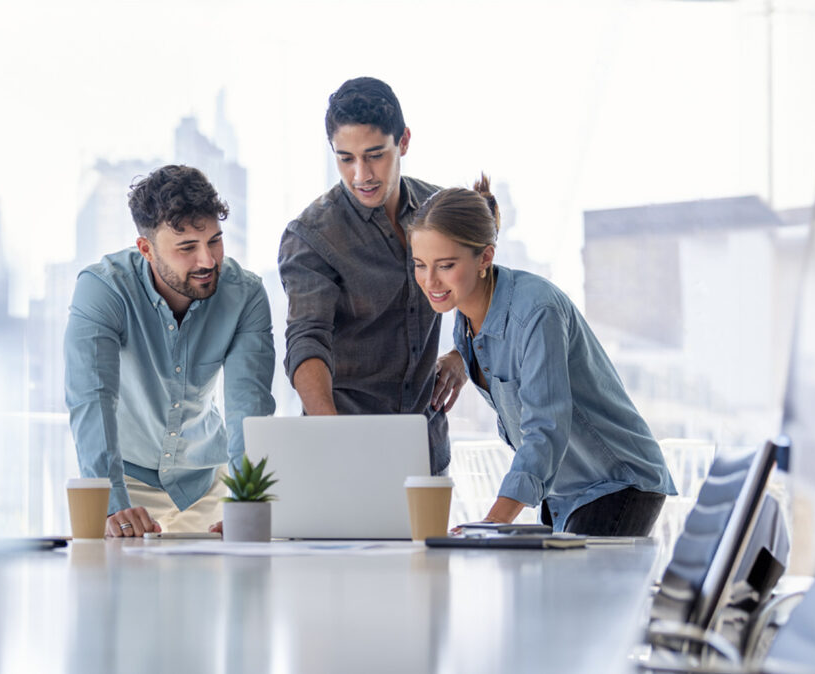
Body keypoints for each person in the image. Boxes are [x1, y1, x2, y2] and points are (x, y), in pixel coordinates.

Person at [408, 175, 677, 535]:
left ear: (485, 256)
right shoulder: (466, 318)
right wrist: (460, 356)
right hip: (563, 491)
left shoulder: (537, 311)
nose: (430, 281)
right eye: (420, 264)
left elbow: (545, 428)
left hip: (616, 482)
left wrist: (493, 522)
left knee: (576, 592)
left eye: (445, 265)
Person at [65, 164, 276, 537]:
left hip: (207, 483)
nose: (208, 261)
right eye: (187, 248)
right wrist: (112, 506)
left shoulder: (245, 295)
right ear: (146, 248)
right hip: (127, 483)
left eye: (214, 240)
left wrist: (248, 501)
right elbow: (92, 401)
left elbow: (249, 406)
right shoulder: (103, 289)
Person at [278, 77, 467, 475]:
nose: (361, 174)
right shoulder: (312, 236)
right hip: (343, 449)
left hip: (426, 450)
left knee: (430, 541)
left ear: (404, 141)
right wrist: (335, 439)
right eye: (345, 158)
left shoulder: (442, 212)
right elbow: (306, 340)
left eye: (375, 154)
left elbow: (484, 290)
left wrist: (461, 353)